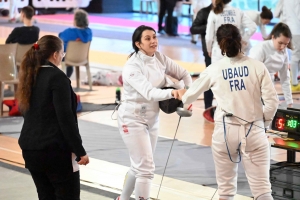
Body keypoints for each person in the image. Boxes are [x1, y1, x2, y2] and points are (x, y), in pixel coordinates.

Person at [179, 24, 278, 200]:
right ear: (241, 40)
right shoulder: (258, 66)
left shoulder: (214, 69)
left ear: (219, 44)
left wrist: (181, 98)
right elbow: (272, 102)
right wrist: (263, 124)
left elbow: (188, 97)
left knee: (225, 191)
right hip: (254, 129)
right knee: (262, 190)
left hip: (225, 133)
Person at [115, 25, 192, 200]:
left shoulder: (159, 58)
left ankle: (123, 199)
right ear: (138, 44)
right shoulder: (132, 66)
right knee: (146, 169)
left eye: (154, 37)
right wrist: (173, 92)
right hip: (131, 118)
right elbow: (149, 92)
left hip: (152, 117)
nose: (153, 41)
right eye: (148, 39)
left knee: (139, 166)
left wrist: (188, 95)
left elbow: (185, 74)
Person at [16, 35, 89, 199]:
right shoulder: (57, 77)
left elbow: (25, 111)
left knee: (45, 196)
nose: (62, 56)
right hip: (54, 151)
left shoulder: (30, 75)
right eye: (62, 53)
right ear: (55, 54)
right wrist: (79, 150)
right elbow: (66, 119)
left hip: (30, 149)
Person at [249, 22, 293, 106]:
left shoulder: (284, 51)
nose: (283, 47)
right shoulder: (261, 48)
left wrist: (289, 102)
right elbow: (251, 74)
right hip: (254, 85)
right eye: (280, 43)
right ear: (273, 37)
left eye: (286, 44)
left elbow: (285, 78)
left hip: (269, 86)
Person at [190, 3, 214, 111]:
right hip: (210, 52)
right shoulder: (204, 12)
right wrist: (210, 25)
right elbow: (193, 29)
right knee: (210, 79)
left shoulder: (227, 12)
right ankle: (208, 108)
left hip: (226, 51)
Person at [59, 9, 92, 78]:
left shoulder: (69, 32)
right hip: (82, 58)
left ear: (76, 20)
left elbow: (60, 36)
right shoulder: (89, 32)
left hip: (67, 57)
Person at [278, 0, 300, 92]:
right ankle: (294, 83)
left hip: (289, 29)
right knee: (296, 55)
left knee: (295, 55)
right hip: (297, 29)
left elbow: (277, 14)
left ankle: (294, 80)